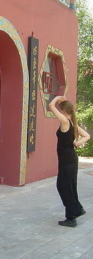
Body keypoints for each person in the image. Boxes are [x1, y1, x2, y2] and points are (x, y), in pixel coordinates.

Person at [49, 96, 90, 227]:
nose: (60, 112)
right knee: (68, 186)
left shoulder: (65, 121)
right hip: (69, 159)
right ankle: (76, 210)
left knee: (64, 186)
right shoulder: (72, 122)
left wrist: (56, 99)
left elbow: (50, 106)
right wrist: (78, 142)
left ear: (64, 111)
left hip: (67, 161)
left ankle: (72, 217)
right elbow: (87, 136)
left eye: (61, 110)